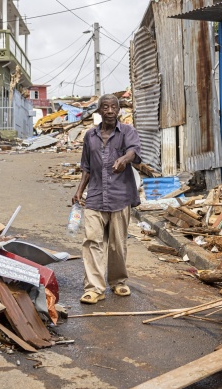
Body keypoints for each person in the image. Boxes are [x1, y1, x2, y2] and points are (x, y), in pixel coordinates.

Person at [72, 94, 142, 304]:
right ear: (99, 111)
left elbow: (134, 152)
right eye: (105, 107)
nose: (110, 110)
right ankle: (94, 287)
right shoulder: (90, 136)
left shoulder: (127, 131)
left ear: (119, 110)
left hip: (120, 196)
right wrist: (79, 190)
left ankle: (118, 281)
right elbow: (86, 167)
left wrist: (124, 159)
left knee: (117, 244)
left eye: (114, 107)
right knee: (92, 241)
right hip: (94, 196)